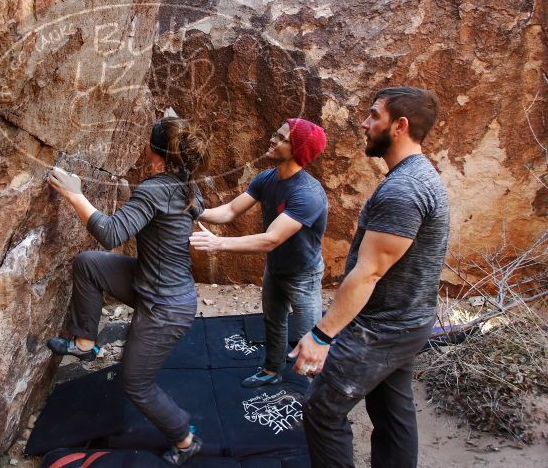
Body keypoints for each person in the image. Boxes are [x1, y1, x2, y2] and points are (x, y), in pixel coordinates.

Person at [290, 86, 449, 468]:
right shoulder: (419, 176)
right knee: (392, 411)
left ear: (400, 126)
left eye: (374, 115)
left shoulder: (405, 190)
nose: (364, 123)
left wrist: (321, 335)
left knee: (322, 408)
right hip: (408, 321)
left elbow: (370, 272)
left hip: (383, 329)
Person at [45, 116, 209, 466]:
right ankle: (85, 344)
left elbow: (112, 232)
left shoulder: (154, 189)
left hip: (164, 306)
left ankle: (184, 440)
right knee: (89, 263)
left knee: (136, 384)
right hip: (151, 281)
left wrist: (75, 195)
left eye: (147, 139)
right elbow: (201, 207)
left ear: (154, 150)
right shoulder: (186, 182)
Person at [190, 118, 328, 387]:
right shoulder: (267, 178)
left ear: (297, 149)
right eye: (276, 132)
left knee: (309, 337)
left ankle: (317, 394)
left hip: (303, 276)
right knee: (273, 321)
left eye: (281, 137)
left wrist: (219, 244)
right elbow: (230, 211)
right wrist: (196, 211)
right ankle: (272, 369)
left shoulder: (308, 194)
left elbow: (270, 239)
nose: (272, 139)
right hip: (275, 268)